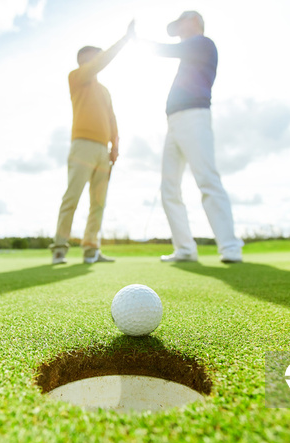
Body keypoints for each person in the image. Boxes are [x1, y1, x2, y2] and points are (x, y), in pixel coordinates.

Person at [148, 11, 244, 263]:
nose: (178, 28)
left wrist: (136, 41)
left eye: (180, 23)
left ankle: (230, 246)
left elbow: (166, 50)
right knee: (169, 188)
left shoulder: (202, 43)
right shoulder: (191, 49)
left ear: (194, 22)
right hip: (174, 122)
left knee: (206, 178)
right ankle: (185, 249)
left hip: (194, 116)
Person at [50, 21, 135, 265]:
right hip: (82, 146)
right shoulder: (76, 77)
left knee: (98, 204)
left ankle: (90, 250)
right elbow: (100, 62)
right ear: (82, 59)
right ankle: (59, 248)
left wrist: (115, 147)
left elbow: (112, 119)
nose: (98, 60)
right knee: (72, 197)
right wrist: (123, 40)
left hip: (103, 151)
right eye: (93, 57)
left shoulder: (105, 91)